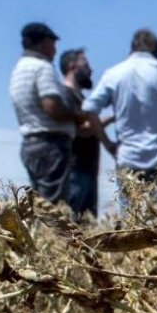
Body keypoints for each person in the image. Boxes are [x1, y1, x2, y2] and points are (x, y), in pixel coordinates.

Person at [82, 29, 157, 199]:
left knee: (132, 220)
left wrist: (107, 144)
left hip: (127, 156)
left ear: (132, 49)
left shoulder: (114, 73)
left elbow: (90, 108)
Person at [9, 23, 91, 205]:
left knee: (41, 205)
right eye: (53, 44)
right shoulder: (42, 67)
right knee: (55, 209)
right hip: (51, 146)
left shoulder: (19, 69)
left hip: (30, 143)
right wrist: (78, 116)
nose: (55, 50)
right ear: (43, 43)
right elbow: (52, 107)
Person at [60, 48, 116, 219]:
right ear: (72, 65)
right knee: (71, 223)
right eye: (86, 65)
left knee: (85, 226)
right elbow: (82, 130)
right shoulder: (64, 94)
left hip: (87, 169)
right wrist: (114, 117)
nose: (90, 70)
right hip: (75, 169)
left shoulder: (79, 98)